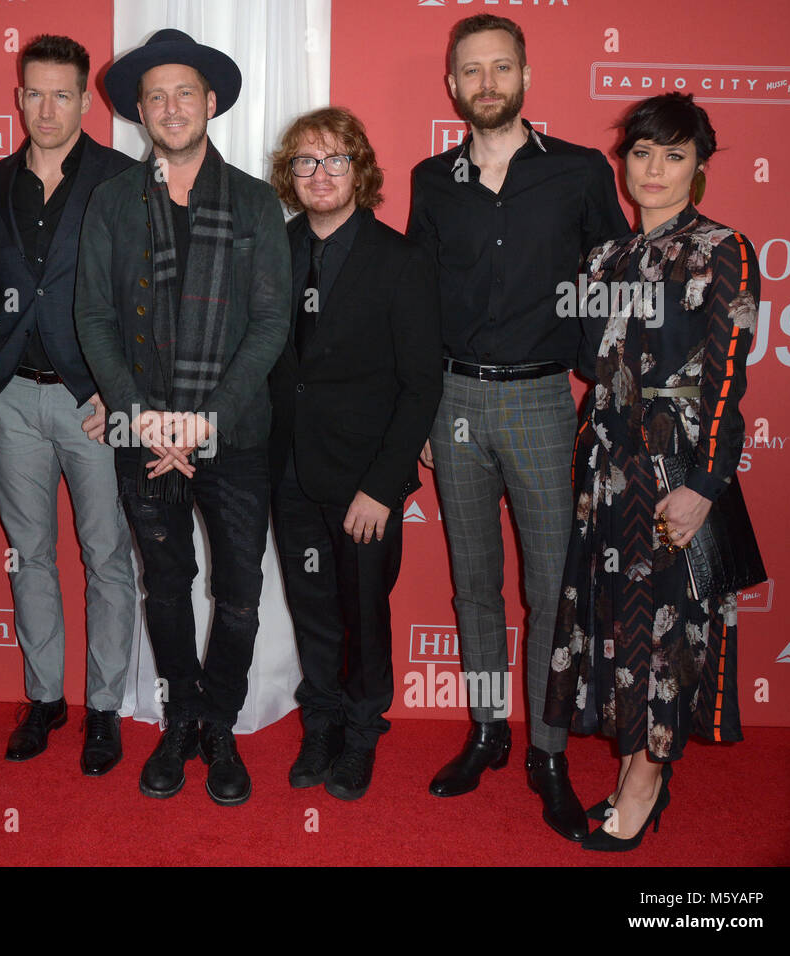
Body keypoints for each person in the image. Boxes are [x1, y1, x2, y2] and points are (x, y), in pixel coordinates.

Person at [406, 13, 628, 841]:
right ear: (453, 86)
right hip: (455, 403)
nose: (487, 82)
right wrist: (419, 410)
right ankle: (490, 731)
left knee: (548, 592)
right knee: (472, 589)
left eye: (502, 67)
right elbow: (418, 303)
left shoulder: (576, 173)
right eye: (472, 70)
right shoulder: (432, 181)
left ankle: (546, 750)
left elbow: (612, 292)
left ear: (525, 78)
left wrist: (607, 397)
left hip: (541, 401)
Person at [77, 29, 291, 806]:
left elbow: (271, 324)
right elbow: (95, 320)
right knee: (164, 587)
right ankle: (180, 720)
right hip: (142, 434)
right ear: (139, 110)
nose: (171, 107)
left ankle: (221, 727)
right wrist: (143, 418)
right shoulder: (111, 202)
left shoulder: (259, 202)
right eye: (156, 95)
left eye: (185, 92)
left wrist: (203, 421)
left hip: (233, 436)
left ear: (210, 103)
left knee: (238, 594)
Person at [545, 93, 759, 851]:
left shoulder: (725, 248)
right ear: (623, 162)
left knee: (664, 633)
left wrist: (704, 486)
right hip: (603, 472)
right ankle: (633, 758)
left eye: (674, 155)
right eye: (642, 153)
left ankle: (646, 779)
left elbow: (729, 385)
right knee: (616, 629)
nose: (655, 170)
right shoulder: (605, 256)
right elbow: (591, 362)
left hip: (673, 475)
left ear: (698, 166)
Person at [0, 35, 136, 775]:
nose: (48, 107)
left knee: (107, 559)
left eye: (63, 94)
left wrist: (117, 395)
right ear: (18, 96)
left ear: (86, 100)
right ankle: (46, 699)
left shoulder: (123, 177)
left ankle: (107, 709)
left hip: (92, 402)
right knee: (29, 557)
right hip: (10, 402)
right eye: (35, 92)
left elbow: (138, 298)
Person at [267, 107, 442, 801]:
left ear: (359, 170)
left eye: (335, 159)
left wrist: (382, 485)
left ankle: (363, 729)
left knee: (364, 610)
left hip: (364, 480)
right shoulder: (273, 250)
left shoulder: (399, 260)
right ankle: (322, 722)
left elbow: (421, 384)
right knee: (311, 605)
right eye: (306, 161)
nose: (320, 173)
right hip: (286, 470)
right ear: (291, 174)